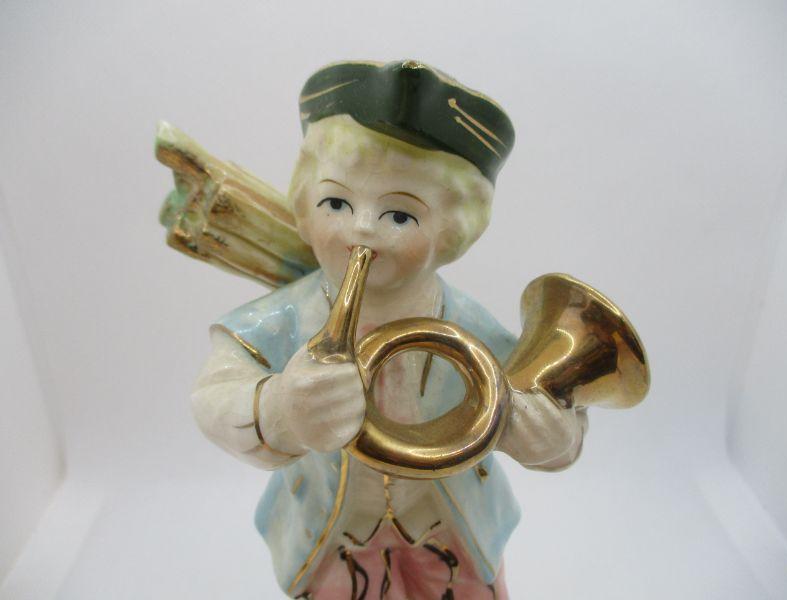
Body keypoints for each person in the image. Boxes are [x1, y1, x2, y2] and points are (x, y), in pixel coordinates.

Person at [190, 60, 588, 599]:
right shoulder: (287, 318)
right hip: (330, 536)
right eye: (336, 202)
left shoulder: (466, 325)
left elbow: (549, 404)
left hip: (451, 531)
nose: (361, 228)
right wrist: (279, 410)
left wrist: (552, 438)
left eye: (400, 215)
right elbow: (214, 393)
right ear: (303, 206)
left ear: (453, 233)